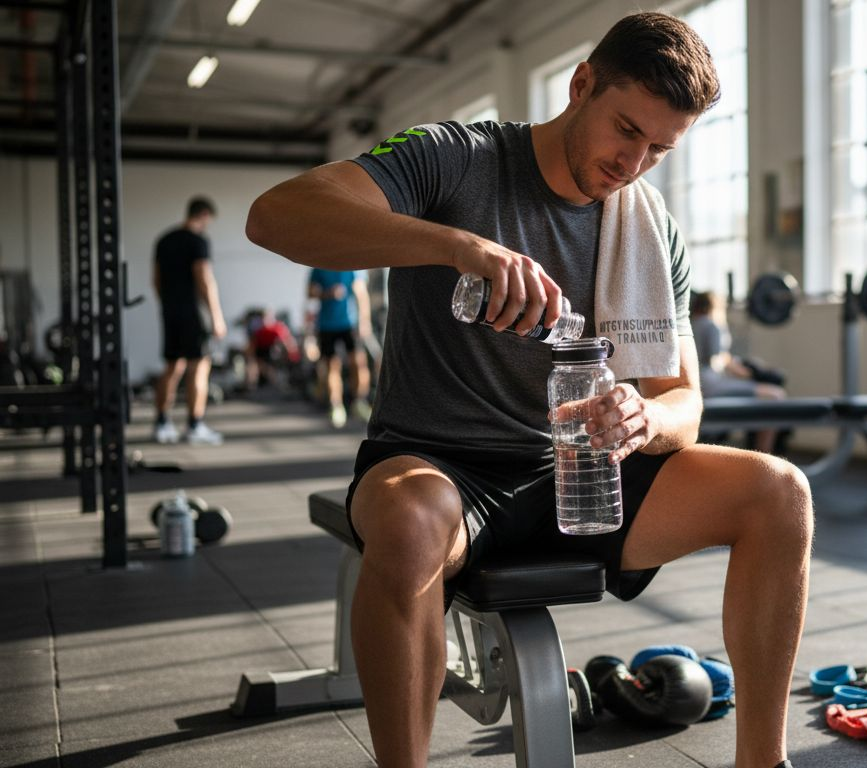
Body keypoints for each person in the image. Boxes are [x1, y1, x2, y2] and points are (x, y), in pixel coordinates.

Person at [246, 13, 809, 768]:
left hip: (580, 471)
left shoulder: (649, 228)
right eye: (626, 130)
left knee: (779, 491)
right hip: (442, 467)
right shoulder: (454, 157)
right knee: (409, 521)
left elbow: (685, 402)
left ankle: (763, 763)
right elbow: (274, 216)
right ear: (581, 85)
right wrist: (457, 247)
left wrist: (643, 416)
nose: (633, 164)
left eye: (659, 150)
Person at [152, 196, 226, 445]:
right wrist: (216, 316)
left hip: (170, 311)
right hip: (194, 314)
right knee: (199, 366)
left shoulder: (164, 240)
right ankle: (195, 425)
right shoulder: (198, 241)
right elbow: (204, 279)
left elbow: (156, 280)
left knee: (172, 366)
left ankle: (162, 423)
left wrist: (169, 305)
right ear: (204, 215)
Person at [690, 290, 788, 453]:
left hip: (696, 383)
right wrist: (748, 372)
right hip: (710, 386)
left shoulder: (690, 324)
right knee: (775, 396)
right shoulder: (711, 326)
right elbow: (716, 360)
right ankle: (764, 455)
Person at [308, 268, 373, 427]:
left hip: (350, 323)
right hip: (327, 326)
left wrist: (364, 321)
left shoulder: (353, 266)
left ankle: (359, 401)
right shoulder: (319, 267)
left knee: (358, 363)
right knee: (332, 366)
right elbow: (310, 292)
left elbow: (361, 294)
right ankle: (336, 405)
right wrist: (327, 293)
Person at [241, 306, 299, 392]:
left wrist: (292, 355)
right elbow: (252, 346)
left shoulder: (278, 328)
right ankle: (250, 384)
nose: (265, 320)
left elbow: (288, 343)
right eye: (263, 318)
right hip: (260, 353)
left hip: (274, 353)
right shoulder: (258, 331)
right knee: (252, 364)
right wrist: (250, 358)